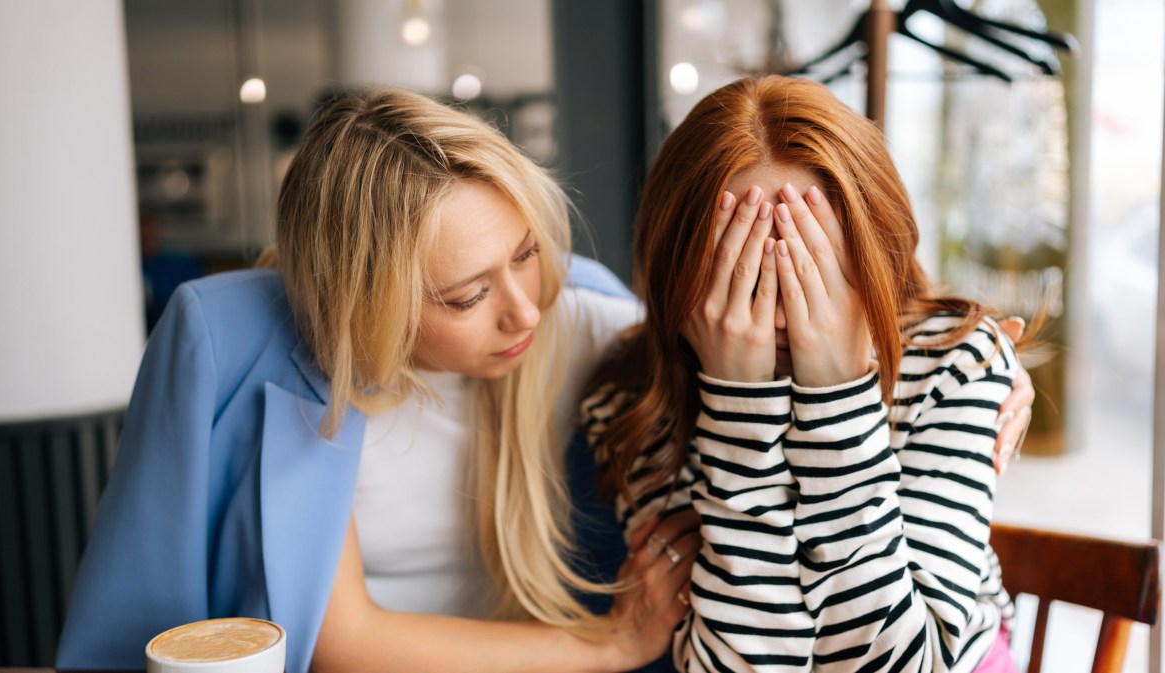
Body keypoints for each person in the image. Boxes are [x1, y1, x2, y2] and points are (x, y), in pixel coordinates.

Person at [56, 88, 697, 673]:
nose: (526, 310)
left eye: (527, 253)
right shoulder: (224, 338)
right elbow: (337, 640)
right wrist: (609, 645)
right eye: (468, 296)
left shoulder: (587, 321)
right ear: (367, 304)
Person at [584, 75, 1031, 672]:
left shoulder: (956, 363)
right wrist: (739, 403)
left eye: (810, 265)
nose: (781, 310)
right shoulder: (632, 400)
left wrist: (837, 396)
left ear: (875, 249)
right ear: (676, 270)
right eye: (739, 269)